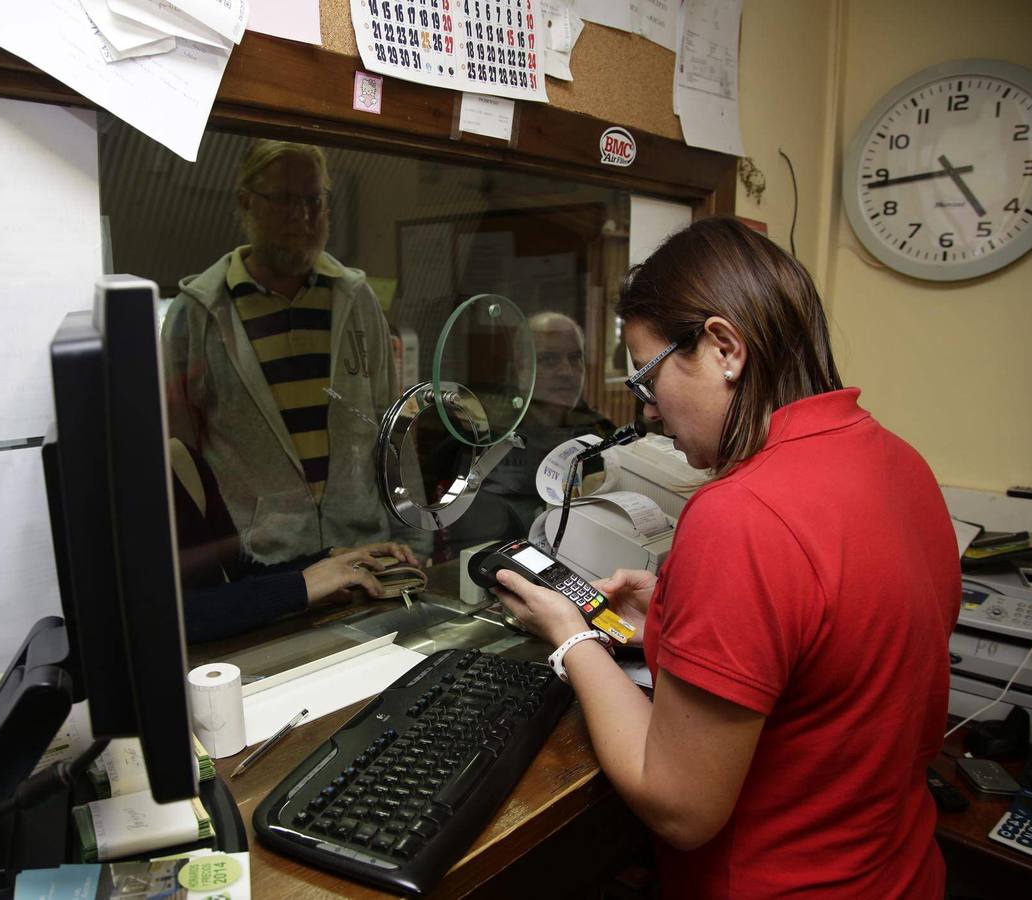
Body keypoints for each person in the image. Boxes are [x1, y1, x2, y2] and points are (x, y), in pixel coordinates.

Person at [493, 217, 960, 898]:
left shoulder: (740, 514)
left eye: (648, 380)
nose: (648, 412)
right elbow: (839, 652)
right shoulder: (898, 462)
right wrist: (681, 613)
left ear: (723, 348)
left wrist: (572, 640)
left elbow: (680, 806)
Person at [162, 140, 400, 564]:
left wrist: (412, 534)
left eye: (314, 200)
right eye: (285, 200)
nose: (303, 217)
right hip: (262, 567)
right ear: (245, 203)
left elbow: (393, 424)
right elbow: (180, 453)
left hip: (363, 550)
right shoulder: (200, 312)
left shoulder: (357, 299)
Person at [167, 439, 418, 643]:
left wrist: (328, 561)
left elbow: (240, 576)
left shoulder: (181, 461)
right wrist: (300, 586)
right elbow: (175, 617)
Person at [440, 311, 616, 557]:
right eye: (549, 359)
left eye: (575, 358)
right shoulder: (483, 435)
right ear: (521, 369)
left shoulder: (601, 435)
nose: (567, 372)